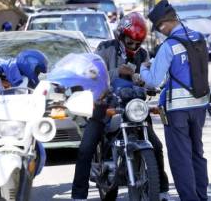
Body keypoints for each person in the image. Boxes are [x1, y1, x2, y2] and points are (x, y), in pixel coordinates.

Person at [72, 12, 171, 201]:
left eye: (137, 43)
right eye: (130, 41)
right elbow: (92, 73)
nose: (134, 46)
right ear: (121, 36)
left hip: (134, 108)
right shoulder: (105, 48)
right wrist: (118, 71)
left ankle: (162, 191)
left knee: (156, 145)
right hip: (105, 105)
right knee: (86, 148)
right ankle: (78, 195)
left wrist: (146, 81)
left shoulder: (142, 54)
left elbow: (151, 80)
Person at [140, 0, 210, 201]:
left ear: (165, 23)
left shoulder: (169, 46)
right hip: (200, 105)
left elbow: (154, 80)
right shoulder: (199, 38)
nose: (161, 32)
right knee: (197, 153)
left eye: (160, 28)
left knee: (180, 158)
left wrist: (144, 68)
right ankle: (201, 197)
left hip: (176, 110)